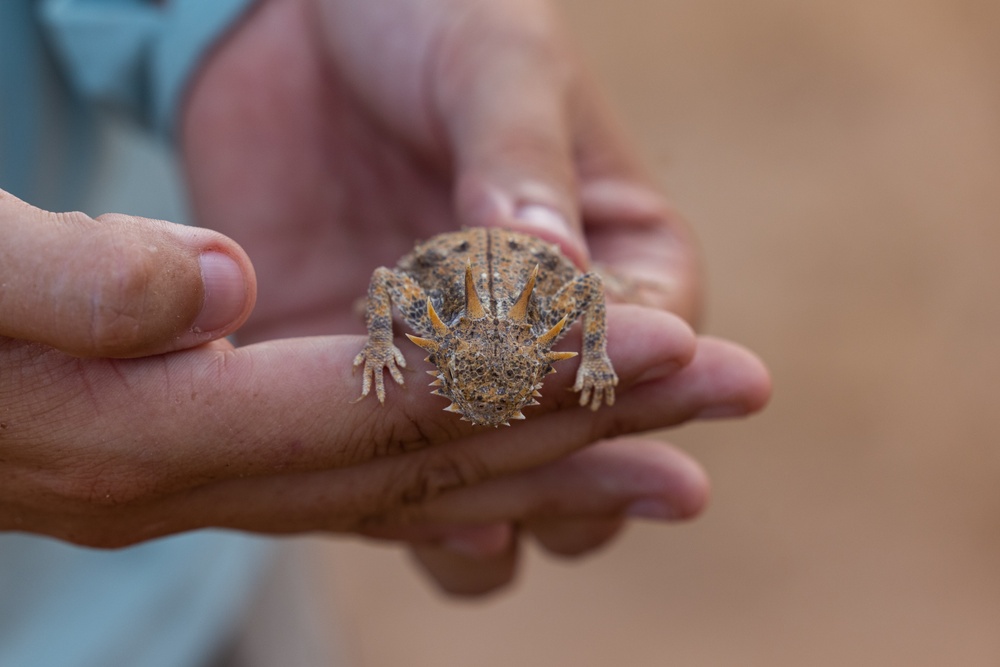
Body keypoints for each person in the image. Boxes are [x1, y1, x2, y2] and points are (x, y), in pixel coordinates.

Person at [0, 0, 771, 664]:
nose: (487, 400)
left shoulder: (541, 320)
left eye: (498, 384)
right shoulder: (434, 322)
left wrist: (238, 16)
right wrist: (377, 343)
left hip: (157, 598)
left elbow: (572, 296)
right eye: (481, 384)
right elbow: (391, 285)